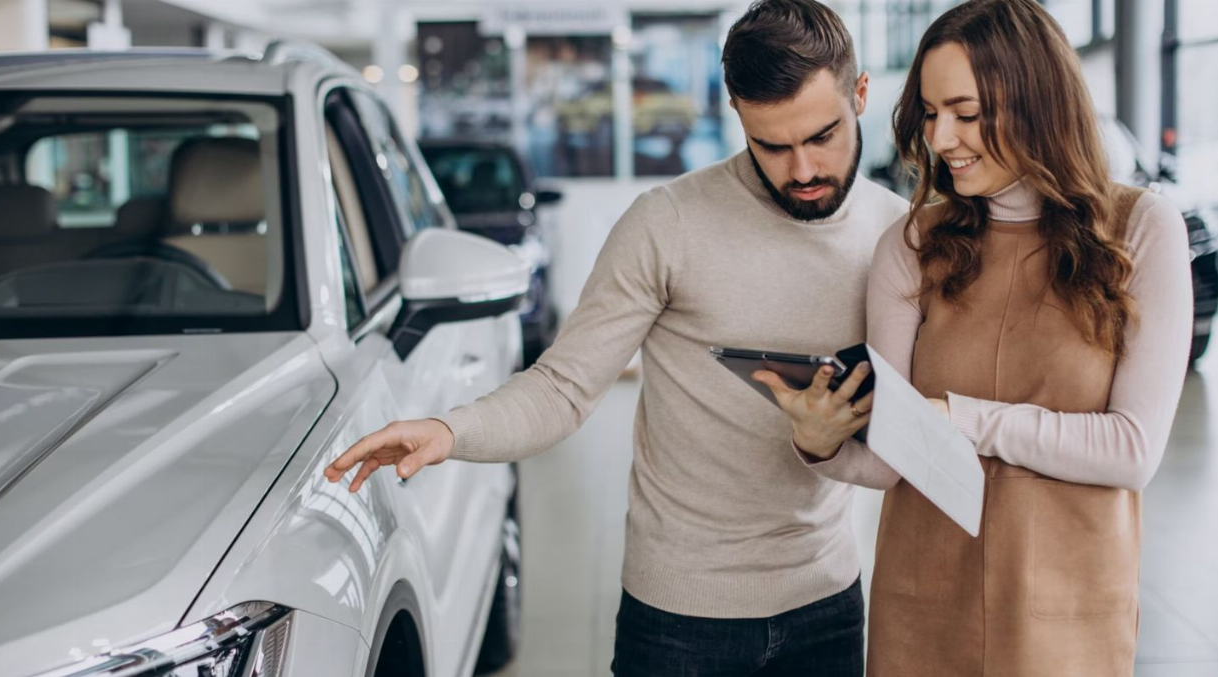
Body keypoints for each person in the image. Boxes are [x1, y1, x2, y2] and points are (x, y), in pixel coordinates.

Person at [325, 1, 905, 674]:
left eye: (822, 136)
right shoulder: (665, 224)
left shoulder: (896, 238)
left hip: (827, 603)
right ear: (736, 115)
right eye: (771, 145)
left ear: (859, 94)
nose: (801, 169)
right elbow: (563, 388)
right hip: (680, 617)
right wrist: (451, 431)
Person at [755, 1, 1193, 675]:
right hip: (923, 604)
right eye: (930, 114)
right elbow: (886, 460)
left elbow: (1130, 450)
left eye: (965, 113)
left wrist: (960, 419)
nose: (941, 138)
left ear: (1036, 101)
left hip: (1067, 615)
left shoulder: (1139, 231)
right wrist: (820, 444)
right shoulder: (911, 245)